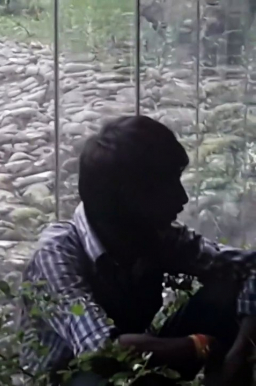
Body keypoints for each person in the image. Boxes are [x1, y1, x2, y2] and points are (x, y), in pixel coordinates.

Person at [19, 115, 256, 385]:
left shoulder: (155, 236)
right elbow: (100, 349)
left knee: (228, 291)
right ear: (129, 196)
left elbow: (250, 266)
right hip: (70, 376)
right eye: (169, 184)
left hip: (133, 366)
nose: (182, 198)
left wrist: (241, 350)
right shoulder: (58, 254)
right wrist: (201, 345)